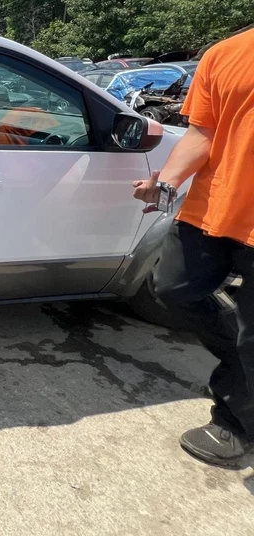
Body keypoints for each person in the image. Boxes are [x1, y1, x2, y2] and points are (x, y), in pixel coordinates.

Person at [132, 26, 254, 466]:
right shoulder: (225, 54)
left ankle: (234, 422)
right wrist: (165, 182)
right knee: (171, 288)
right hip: (214, 208)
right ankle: (240, 362)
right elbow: (203, 133)